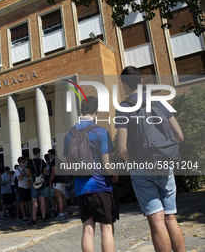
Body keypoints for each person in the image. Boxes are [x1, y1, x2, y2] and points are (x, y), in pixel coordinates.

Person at [116, 66, 185, 252]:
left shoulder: (123, 108)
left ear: (124, 85)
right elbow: (179, 136)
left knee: (156, 220)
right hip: (165, 165)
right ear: (142, 81)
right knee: (170, 217)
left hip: (142, 168)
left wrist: (133, 164)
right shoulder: (159, 102)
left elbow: (122, 147)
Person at [63, 96, 119, 252]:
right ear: (96, 111)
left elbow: (66, 166)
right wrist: (114, 174)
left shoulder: (69, 134)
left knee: (87, 230)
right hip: (101, 186)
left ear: (82, 111)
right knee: (106, 228)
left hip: (81, 189)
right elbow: (107, 165)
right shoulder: (100, 132)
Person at [26, 148, 47, 225]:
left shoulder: (30, 162)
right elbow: (44, 172)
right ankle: (44, 217)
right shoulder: (42, 161)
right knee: (42, 200)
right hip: (41, 182)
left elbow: (27, 172)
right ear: (38, 153)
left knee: (34, 201)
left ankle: (34, 218)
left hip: (34, 182)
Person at [48, 149, 68, 220]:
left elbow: (54, 172)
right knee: (62, 197)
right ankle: (65, 212)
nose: (48, 156)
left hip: (57, 181)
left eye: (49, 154)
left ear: (52, 155)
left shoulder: (54, 162)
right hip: (62, 180)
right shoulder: (59, 160)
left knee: (58, 198)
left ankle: (61, 213)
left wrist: (50, 181)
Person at [15, 157, 32, 223]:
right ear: (19, 163)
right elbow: (20, 178)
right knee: (22, 203)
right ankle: (24, 217)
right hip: (21, 187)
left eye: (24, 162)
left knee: (29, 202)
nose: (24, 164)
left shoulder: (26, 169)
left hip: (27, 186)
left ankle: (31, 215)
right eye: (22, 162)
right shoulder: (18, 170)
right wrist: (22, 170)